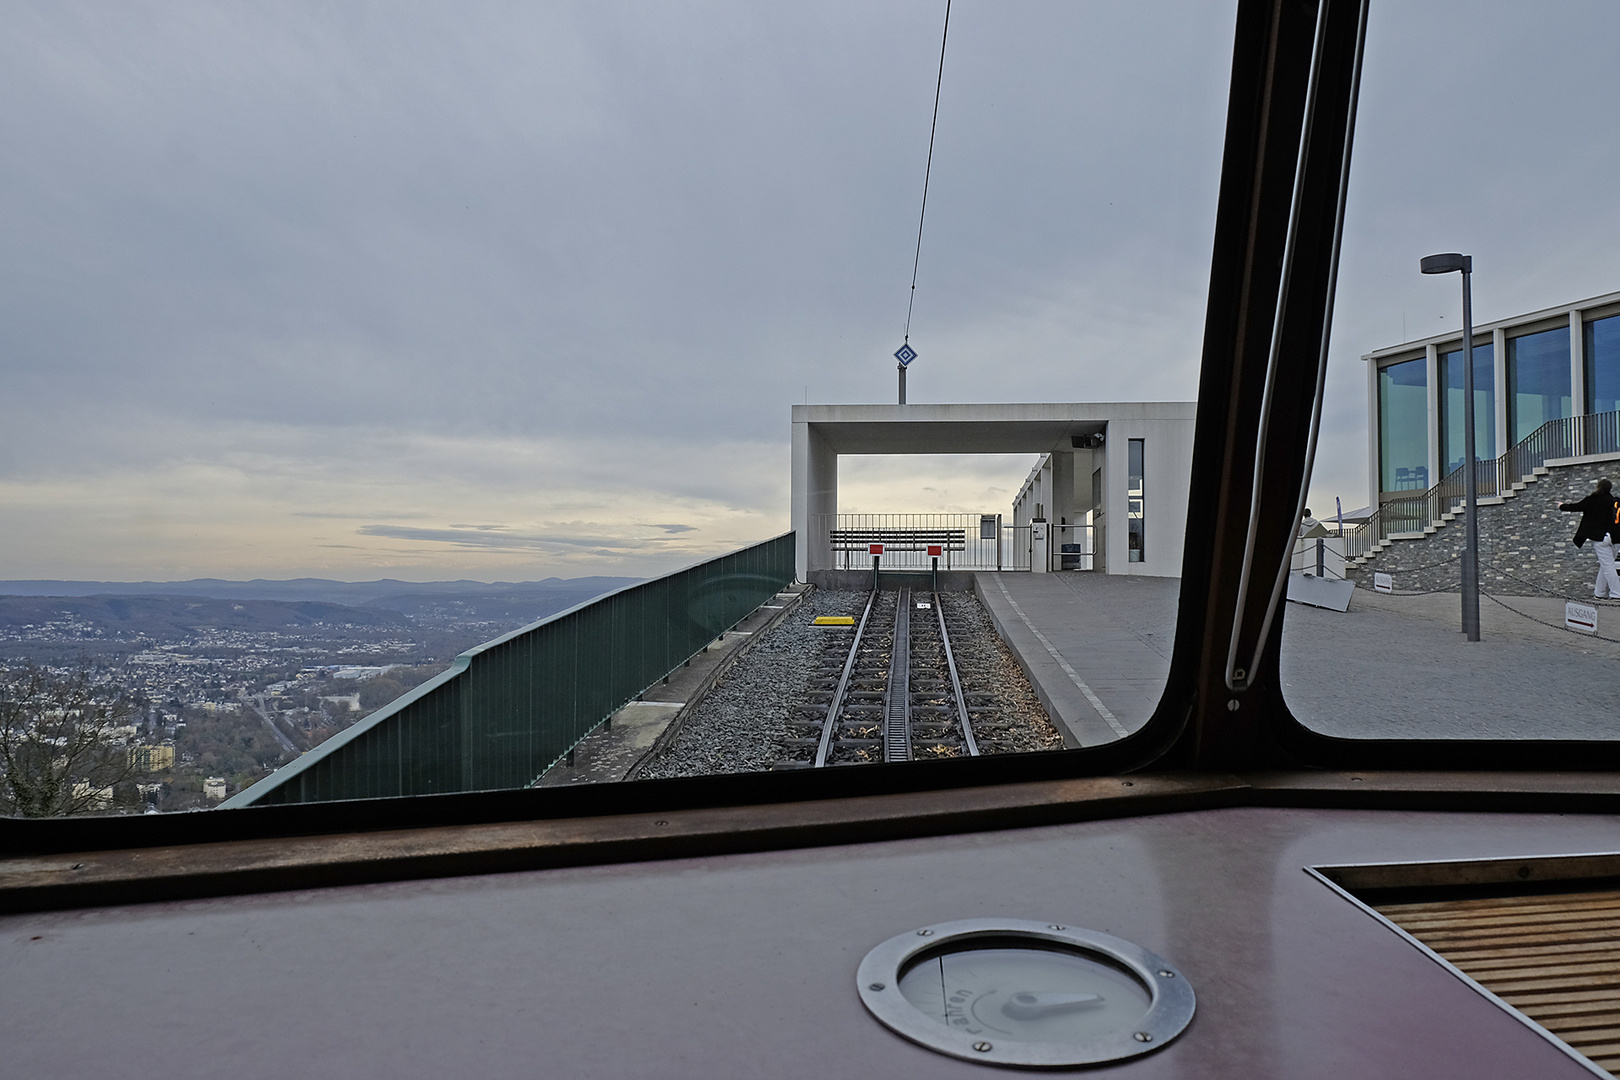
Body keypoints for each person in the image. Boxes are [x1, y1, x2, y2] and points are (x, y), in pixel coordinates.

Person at [1557, 478, 1620, 599]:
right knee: (1606, 565)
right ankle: (1599, 593)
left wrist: (1561, 506)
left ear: (1598, 487)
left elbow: (1575, 507)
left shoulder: (1592, 500)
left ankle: (1616, 594)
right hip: (1615, 539)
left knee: (1608, 567)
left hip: (1601, 538)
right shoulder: (1613, 501)